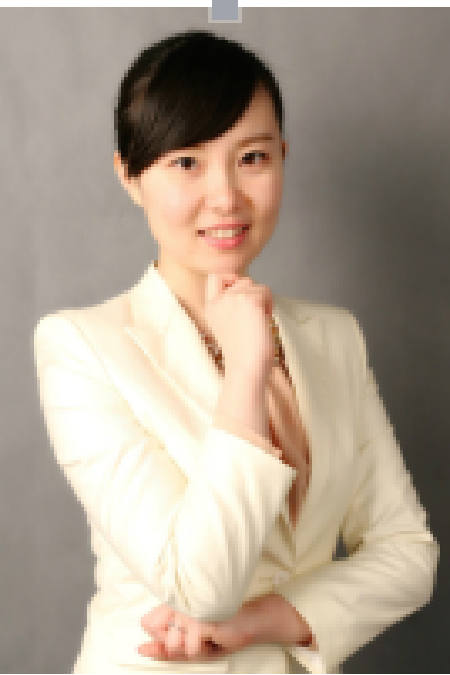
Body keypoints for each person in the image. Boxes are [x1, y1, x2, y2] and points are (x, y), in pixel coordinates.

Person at [33, 29, 439, 675]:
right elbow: (200, 588)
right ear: (130, 176)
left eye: (251, 157)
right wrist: (247, 370)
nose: (225, 196)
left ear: (283, 157)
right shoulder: (83, 347)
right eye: (185, 162)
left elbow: (409, 554)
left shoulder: (334, 337)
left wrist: (264, 621)